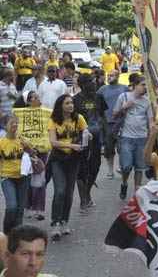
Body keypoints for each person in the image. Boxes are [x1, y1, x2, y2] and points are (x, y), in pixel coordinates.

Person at [48, 94, 88, 241]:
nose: (71, 105)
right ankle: (55, 223)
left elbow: (86, 133)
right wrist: (71, 145)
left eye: (71, 103)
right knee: (59, 191)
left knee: (69, 193)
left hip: (74, 160)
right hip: (58, 159)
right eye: (67, 103)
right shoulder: (53, 121)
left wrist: (87, 137)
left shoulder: (79, 119)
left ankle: (64, 221)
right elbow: (53, 142)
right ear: (61, 106)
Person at [113, 74, 153, 199]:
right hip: (126, 137)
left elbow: (150, 119)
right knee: (126, 166)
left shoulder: (147, 101)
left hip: (142, 138)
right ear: (135, 85)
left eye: (146, 85)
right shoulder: (123, 97)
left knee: (139, 167)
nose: (145, 88)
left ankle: (137, 193)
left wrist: (153, 130)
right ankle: (124, 183)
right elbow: (114, 115)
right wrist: (124, 107)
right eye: (143, 85)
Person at [72, 74, 102, 212]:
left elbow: (103, 117)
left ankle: (87, 192)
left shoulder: (98, 97)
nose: (94, 83)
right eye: (91, 81)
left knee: (95, 167)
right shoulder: (75, 100)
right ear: (83, 84)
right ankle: (83, 200)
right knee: (81, 169)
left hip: (97, 139)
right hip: (81, 140)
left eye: (94, 81)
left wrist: (107, 137)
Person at [0, 115, 32, 233]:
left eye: (16, 123)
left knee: (20, 209)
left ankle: (17, 236)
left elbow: (33, 153)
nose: (14, 125)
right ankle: (6, 233)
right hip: (7, 178)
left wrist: (27, 147)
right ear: (5, 126)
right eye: (11, 123)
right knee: (12, 207)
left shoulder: (22, 140)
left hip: (24, 177)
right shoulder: (2, 142)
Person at [22, 91, 50, 222]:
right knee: (27, 179)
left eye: (39, 97)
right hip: (26, 152)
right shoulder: (21, 116)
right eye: (34, 97)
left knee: (40, 180)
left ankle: (39, 209)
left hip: (41, 151)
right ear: (27, 101)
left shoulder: (46, 114)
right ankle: (27, 207)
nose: (38, 99)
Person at [96, 69, 128, 179]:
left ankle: (120, 166)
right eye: (108, 75)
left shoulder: (124, 88)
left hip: (122, 122)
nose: (109, 77)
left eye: (112, 75)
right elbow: (97, 105)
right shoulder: (102, 89)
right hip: (107, 123)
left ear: (118, 76)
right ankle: (110, 170)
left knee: (122, 147)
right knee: (109, 148)